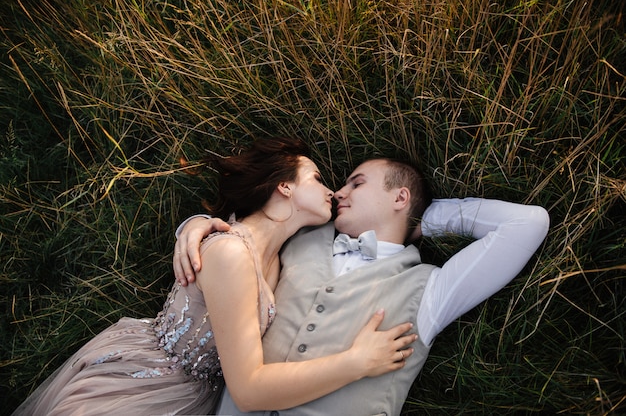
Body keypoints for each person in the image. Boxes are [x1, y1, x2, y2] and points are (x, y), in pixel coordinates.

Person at [12, 139, 418, 416]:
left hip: (192, 399)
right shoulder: (229, 251)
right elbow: (249, 389)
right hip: (144, 386)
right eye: (316, 178)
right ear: (284, 187)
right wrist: (357, 362)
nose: (333, 190)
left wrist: (196, 223)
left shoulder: (283, 255)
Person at [174, 157, 550, 415]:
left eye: (357, 183)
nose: (338, 192)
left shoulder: (431, 291)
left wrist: (423, 218)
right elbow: (247, 236)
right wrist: (196, 224)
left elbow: (527, 224)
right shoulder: (302, 240)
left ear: (399, 197)